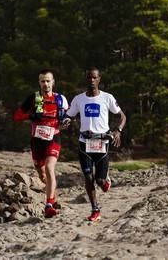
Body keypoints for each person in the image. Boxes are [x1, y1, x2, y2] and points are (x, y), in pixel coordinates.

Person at [62, 67, 126, 222]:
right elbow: (68, 115)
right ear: (86, 79)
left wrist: (118, 130)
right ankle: (95, 209)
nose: (91, 80)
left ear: (99, 79)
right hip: (85, 142)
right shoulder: (78, 99)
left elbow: (122, 116)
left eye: (94, 78)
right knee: (88, 177)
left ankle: (105, 180)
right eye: (89, 78)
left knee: (99, 181)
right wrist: (67, 120)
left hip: (102, 143)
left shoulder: (107, 98)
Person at [13, 69, 69, 218]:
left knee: (50, 168)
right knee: (43, 174)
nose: (45, 84)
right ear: (39, 83)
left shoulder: (61, 99)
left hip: (53, 139)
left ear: (53, 82)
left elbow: (68, 118)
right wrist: (30, 115)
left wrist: (65, 123)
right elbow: (17, 116)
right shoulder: (33, 98)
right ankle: (54, 197)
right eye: (43, 81)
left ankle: (49, 204)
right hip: (37, 142)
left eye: (48, 81)